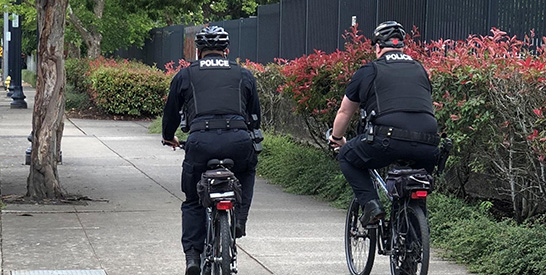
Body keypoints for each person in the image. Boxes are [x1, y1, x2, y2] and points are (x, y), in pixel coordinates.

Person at [162, 25, 261, 275]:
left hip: (200, 142)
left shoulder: (185, 75)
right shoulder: (244, 74)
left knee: (193, 200)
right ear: (226, 51)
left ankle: (193, 257)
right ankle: (238, 219)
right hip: (238, 140)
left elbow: (171, 113)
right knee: (247, 171)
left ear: (198, 51)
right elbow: (255, 116)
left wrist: (168, 137)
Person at [328, 21, 439, 226]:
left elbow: (345, 111)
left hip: (387, 139)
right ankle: (414, 241)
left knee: (347, 157)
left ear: (377, 47)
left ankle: (371, 205)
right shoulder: (420, 70)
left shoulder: (369, 70)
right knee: (416, 188)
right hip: (429, 143)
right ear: (403, 47)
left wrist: (336, 139)